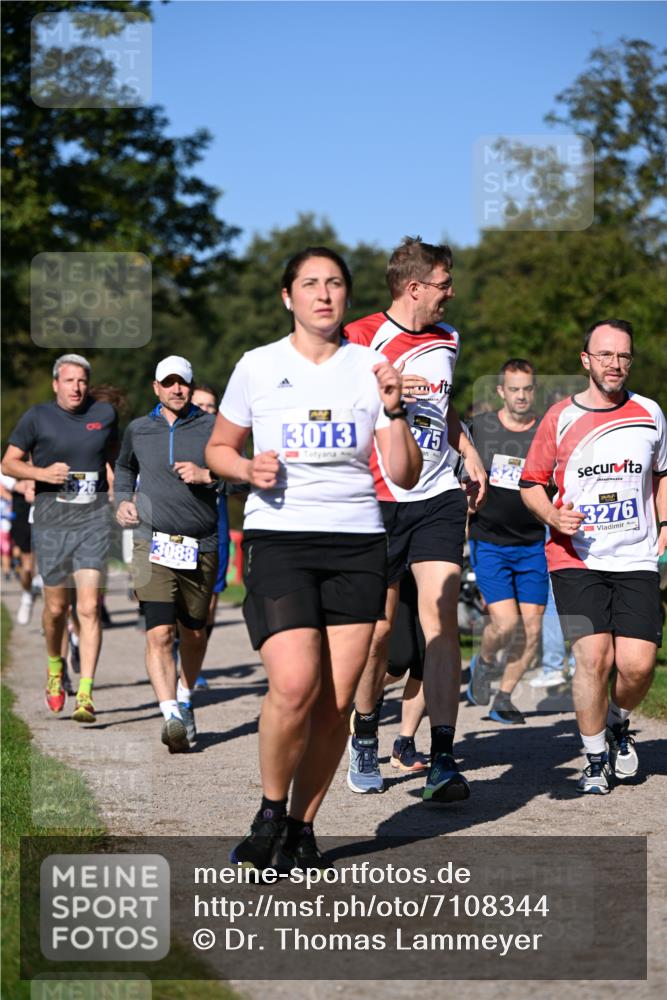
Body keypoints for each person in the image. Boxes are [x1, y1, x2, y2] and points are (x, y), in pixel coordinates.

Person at [205, 247, 421, 870]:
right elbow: (219, 447)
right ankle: (270, 814)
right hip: (280, 539)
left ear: (347, 295)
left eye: (334, 284)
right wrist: (245, 468)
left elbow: (404, 474)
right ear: (288, 296)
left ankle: (302, 828)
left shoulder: (373, 367)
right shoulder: (258, 365)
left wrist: (394, 409)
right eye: (309, 284)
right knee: (296, 683)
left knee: (335, 703)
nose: (323, 294)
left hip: (356, 542)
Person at [344, 236, 486, 801]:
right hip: (378, 500)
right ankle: (363, 734)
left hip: (438, 495)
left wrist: (467, 448)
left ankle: (443, 757)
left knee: (442, 621)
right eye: (444, 284)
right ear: (414, 287)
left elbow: (442, 406)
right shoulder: (358, 338)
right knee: (378, 632)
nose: (451, 293)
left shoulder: (448, 338)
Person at [520, 319, 667, 794]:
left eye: (623, 356)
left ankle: (618, 723)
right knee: (594, 658)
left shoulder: (650, 413)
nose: (615, 364)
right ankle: (595, 757)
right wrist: (551, 515)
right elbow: (530, 484)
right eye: (605, 355)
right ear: (586, 360)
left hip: (636, 556)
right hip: (576, 558)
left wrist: (666, 525)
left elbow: (662, 474)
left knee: (638, 665)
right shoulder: (559, 417)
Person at [1, 354, 118, 722]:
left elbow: (112, 458)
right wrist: (41, 474)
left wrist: (118, 489)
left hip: (93, 522)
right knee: (56, 609)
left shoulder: (105, 415)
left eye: (82, 381)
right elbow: (8, 463)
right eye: (69, 381)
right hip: (52, 523)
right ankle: (55, 667)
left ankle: (85, 692)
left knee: (89, 607)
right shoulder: (37, 417)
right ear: (56, 384)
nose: (76, 387)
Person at [114, 356, 219, 753]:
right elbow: (124, 468)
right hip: (151, 543)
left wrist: (208, 476)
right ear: (155, 387)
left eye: (183, 382)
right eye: (168, 382)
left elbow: (242, 476)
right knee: (159, 633)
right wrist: (123, 500)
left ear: (190, 386)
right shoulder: (139, 429)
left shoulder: (213, 427)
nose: (176, 389)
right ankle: (171, 713)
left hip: (200, 544)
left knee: (193, 633)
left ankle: (185, 699)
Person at [466, 359, 548, 723]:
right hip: (489, 541)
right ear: (501, 391)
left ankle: (503, 698)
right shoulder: (481, 428)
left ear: (534, 391)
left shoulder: (545, 432)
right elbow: (459, 473)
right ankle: (484, 662)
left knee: (532, 631)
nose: (521, 396)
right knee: (506, 623)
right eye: (513, 389)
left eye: (527, 389)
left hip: (532, 543)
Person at [191, 383, 231, 689]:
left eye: (211, 407)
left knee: (211, 602)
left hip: (217, 526)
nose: (206, 411)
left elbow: (241, 481)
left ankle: (195, 660)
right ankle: (178, 654)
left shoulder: (227, 443)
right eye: (200, 405)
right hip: (182, 528)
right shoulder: (178, 437)